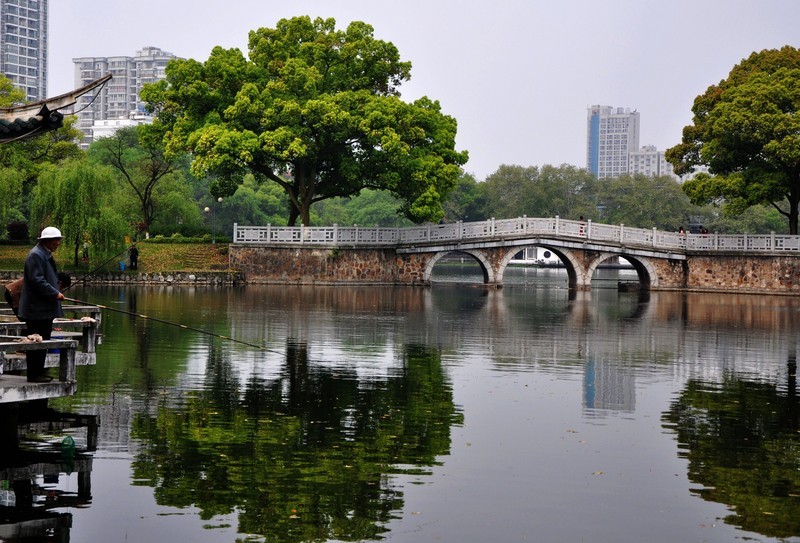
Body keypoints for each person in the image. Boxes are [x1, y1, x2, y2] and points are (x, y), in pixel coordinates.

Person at [18, 226, 65, 383]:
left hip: (44, 309)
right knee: (35, 342)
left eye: (59, 240)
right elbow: (37, 280)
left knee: (43, 341)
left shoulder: (44, 254)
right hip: (36, 309)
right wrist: (55, 293)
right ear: (47, 240)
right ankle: (34, 375)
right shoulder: (36, 255)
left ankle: (39, 372)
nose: (58, 243)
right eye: (56, 240)